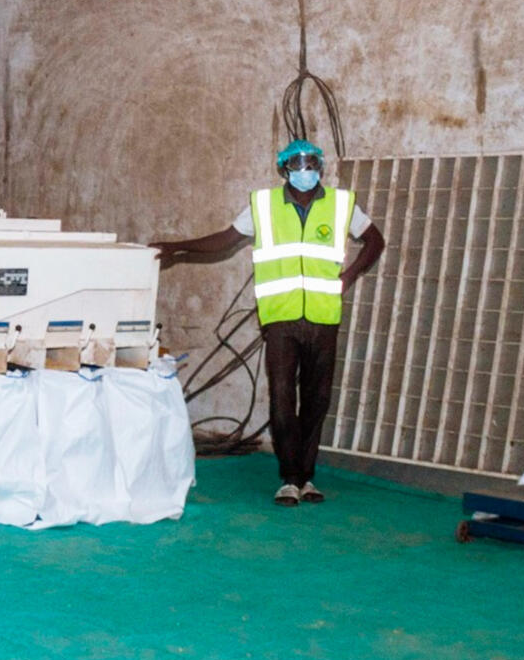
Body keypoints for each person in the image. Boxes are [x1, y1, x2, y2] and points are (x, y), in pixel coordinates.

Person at [150, 140, 385, 507]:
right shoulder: (264, 205)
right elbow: (225, 240)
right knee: (282, 397)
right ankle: (289, 479)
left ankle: (307, 477)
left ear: (321, 167)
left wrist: (350, 276)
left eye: (313, 163)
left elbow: (375, 240)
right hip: (280, 318)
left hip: (323, 317)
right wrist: (177, 247)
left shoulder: (341, 204)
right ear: (284, 169)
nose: (307, 170)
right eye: (298, 163)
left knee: (317, 399)